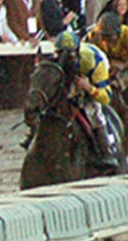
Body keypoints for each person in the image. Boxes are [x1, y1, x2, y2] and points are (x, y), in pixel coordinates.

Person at [43, 30, 120, 170]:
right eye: (61, 54)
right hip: (74, 78)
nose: (65, 59)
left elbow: (106, 98)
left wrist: (89, 88)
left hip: (91, 75)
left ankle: (106, 152)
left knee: (93, 111)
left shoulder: (93, 61)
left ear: (77, 52)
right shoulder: (55, 60)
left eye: (69, 55)